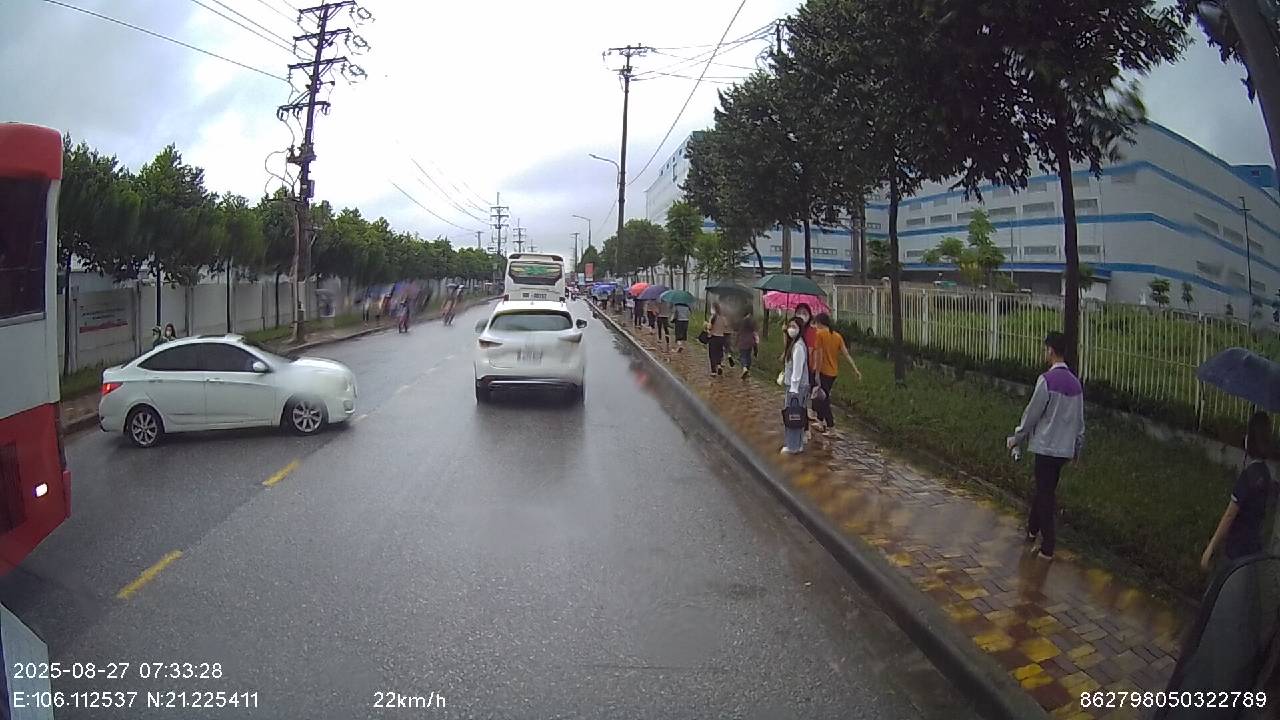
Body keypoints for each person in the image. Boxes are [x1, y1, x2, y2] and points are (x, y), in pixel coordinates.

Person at [1007, 331, 1085, 561]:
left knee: (1045, 494)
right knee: (1045, 489)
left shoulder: (1046, 380)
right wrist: (1077, 450)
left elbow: (1032, 414)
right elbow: (1080, 422)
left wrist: (1017, 437)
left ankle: (1048, 547)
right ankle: (1032, 530)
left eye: (1045, 349)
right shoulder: (1076, 384)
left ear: (1050, 350)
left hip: (1046, 447)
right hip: (1064, 450)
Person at [1201, 411, 1273, 572]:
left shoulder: (1247, 477)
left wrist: (1212, 546)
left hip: (1236, 550)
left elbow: (1229, 515)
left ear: (1250, 441)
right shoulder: (1266, 474)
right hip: (1254, 549)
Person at [810, 313, 862, 432]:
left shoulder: (819, 334)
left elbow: (819, 356)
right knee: (821, 397)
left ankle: (831, 427)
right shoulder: (837, 336)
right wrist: (855, 369)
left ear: (819, 323)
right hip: (833, 373)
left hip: (823, 372)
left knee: (823, 401)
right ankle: (820, 422)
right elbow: (846, 354)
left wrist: (816, 373)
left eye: (816, 323)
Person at [781, 316, 811, 455]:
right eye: (789, 326)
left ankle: (792, 446)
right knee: (798, 415)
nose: (791, 329)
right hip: (798, 387)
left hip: (797, 388)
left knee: (793, 416)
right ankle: (797, 444)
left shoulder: (798, 347)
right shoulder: (795, 344)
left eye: (794, 327)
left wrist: (793, 388)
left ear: (800, 329)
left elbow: (797, 370)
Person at [707, 302, 732, 376]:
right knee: (719, 353)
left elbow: (710, 327)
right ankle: (719, 365)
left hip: (713, 337)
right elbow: (726, 326)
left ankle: (713, 371)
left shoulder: (713, 317)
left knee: (712, 354)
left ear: (713, 308)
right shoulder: (723, 318)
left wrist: (707, 326)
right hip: (721, 338)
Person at [735, 308, 759, 379]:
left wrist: (736, 341)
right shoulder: (753, 321)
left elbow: (739, 332)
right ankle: (748, 370)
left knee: (743, 356)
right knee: (748, 356)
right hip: (750, 340)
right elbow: (755, 332)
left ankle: (744, 368)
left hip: (743, 340)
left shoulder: (742, 321)